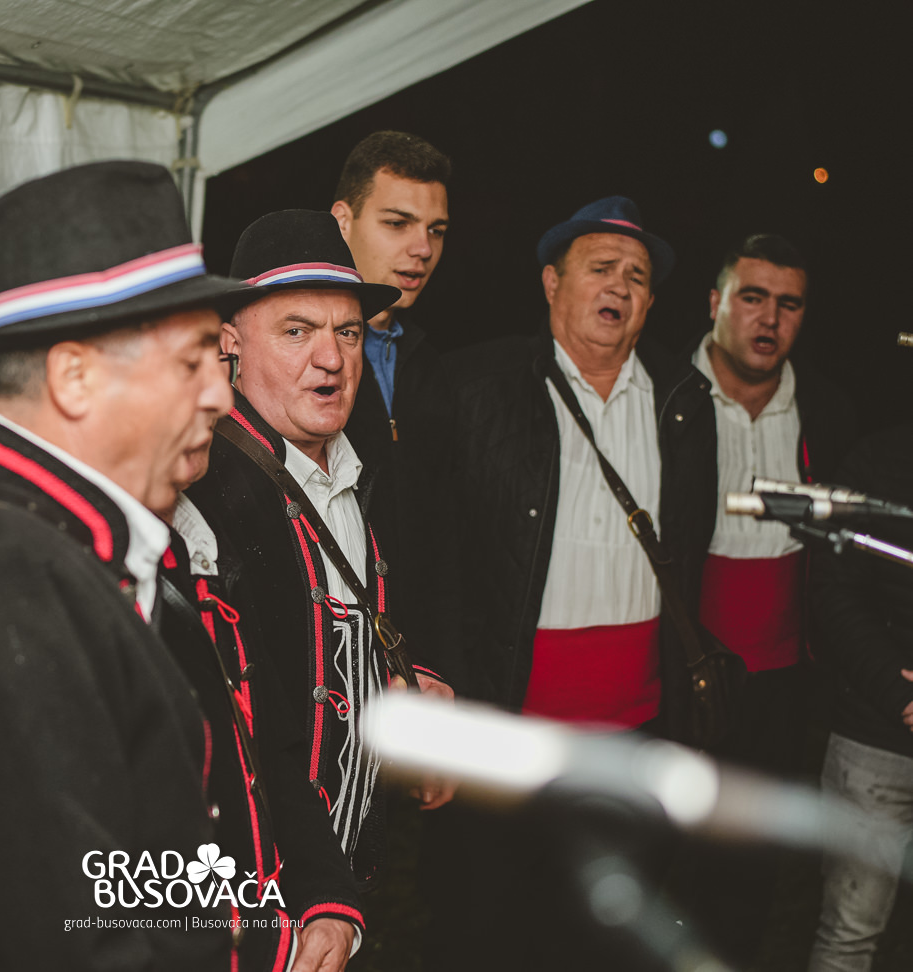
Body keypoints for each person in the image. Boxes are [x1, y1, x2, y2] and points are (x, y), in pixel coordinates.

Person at [0, 160, 250, 971]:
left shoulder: (58, 538)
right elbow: (70, 933)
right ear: (74, 377)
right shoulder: (4, 574)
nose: (221, 395)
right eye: (193, 361)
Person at [415, 196, 717, 970]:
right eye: (600, 268)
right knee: (488, 938)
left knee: (599, 941)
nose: (620, 286)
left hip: (634, 741)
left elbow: (691, 562)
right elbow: (437, 561)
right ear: (552, 283)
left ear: (651, 303)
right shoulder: (477, 386)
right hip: (507, 739)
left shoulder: (683, 403)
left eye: (638, 277)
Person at [188, 209, 455, 896]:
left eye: (348, 332)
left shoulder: (362, 470)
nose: (332, 359)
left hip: (350, 878)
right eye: (297, 331)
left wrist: (405, 678)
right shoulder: (202, 493)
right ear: (230, 345)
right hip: (262, 893)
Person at [681, 233, 856, 963]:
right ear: (716, 302)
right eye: (752, 297)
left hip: (782, 682)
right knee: (673, 858)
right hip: (682, 673)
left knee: (753, 867)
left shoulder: (826, 410)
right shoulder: (665, 395)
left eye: (789, 304)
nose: (770, 319)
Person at [154, 420, 367, 972]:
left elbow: (266, 742)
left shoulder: (196, 537)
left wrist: (324, 894)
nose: (215, 398)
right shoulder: (70, 563)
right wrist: (258, 944)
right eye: (185, 375)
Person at [806, 424, 913, 972]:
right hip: (876, 736)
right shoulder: (879, 456)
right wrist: (900, 693)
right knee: (849, 933)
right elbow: (834, 587)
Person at [330, 130, 451, 450]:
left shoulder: (431, 363)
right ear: (342, 222)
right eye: (398, 223)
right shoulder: (306, 354)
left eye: (436, 230)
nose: (424, 249)